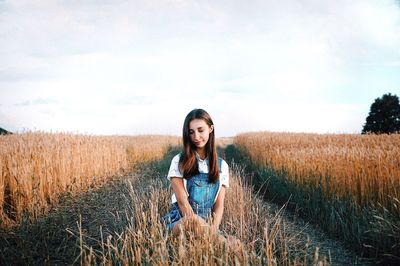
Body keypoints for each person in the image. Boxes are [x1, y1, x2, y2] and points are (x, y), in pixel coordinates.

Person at [163, 108, 231, 241]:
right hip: (181, 221)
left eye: (201, 130)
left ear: (210, 129)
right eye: (191, 132)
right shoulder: (179, 161)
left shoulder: (222, 166)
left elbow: (219, 205)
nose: (196, 137)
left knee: (235, 243)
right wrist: (209, 234)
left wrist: (213, 231)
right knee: (194, 219)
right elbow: (183, 204)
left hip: (206, 225)